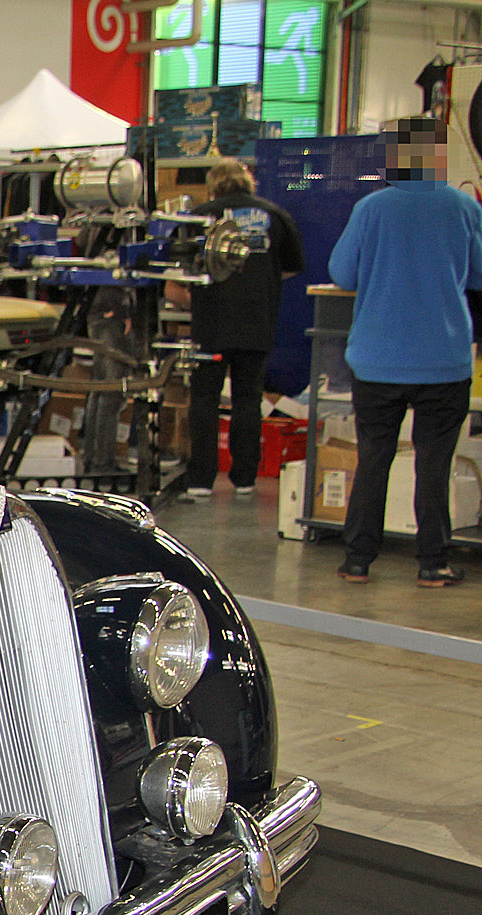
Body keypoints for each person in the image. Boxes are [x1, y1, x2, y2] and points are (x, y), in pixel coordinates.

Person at [329, 115, 482, 587]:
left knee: (374, 457)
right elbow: (478, 276)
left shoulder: (370, 209)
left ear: (396, 157)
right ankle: (433, 563)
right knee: (434, 464)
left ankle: (357, 559)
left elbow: (342, 274)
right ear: (437, 156)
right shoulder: (464, 208)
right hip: (444, 359)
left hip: (377, 360)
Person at [176, 158, 304, 501]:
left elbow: (180, 267)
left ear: (214, 185)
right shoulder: (274, 216)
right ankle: (246, 477)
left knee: (204, 399)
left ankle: (201, 480)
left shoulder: (200, 216)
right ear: (248, 183)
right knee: (248, 399)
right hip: (257, 322)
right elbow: (291, 268)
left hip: (211, 322)